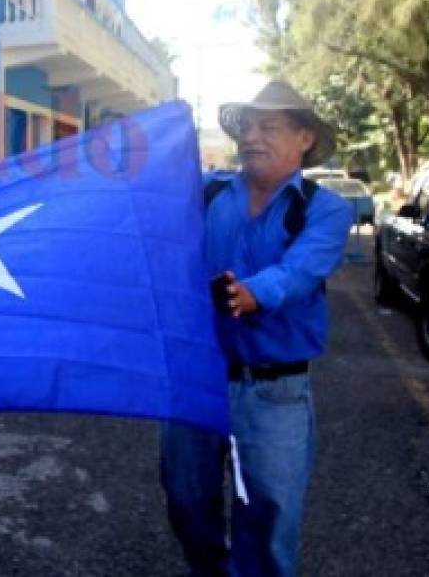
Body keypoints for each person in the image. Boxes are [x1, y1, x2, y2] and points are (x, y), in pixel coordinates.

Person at [161, 80, 354, 577]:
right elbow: (150, 226)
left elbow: (301, 271)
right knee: (185, 500)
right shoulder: (207, 192)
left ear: (304, 139)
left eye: (268, 127)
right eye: (247, 127)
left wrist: (251, 294)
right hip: (195, 382)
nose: (252, 138)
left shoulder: (327, 209)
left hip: (275, 392)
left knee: (268, 518)